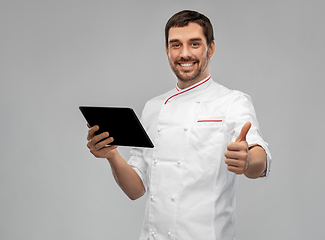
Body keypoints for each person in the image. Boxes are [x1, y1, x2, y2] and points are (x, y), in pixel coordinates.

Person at [86, 10, 271, 240]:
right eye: (175, 45)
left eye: (195, 44)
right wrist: (112, 155)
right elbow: (135, 190)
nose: (184, 54)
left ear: (210, 48)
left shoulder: (232, 101)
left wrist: (247, 161)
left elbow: (259, 160)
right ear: (166, 50)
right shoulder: (152, 108)